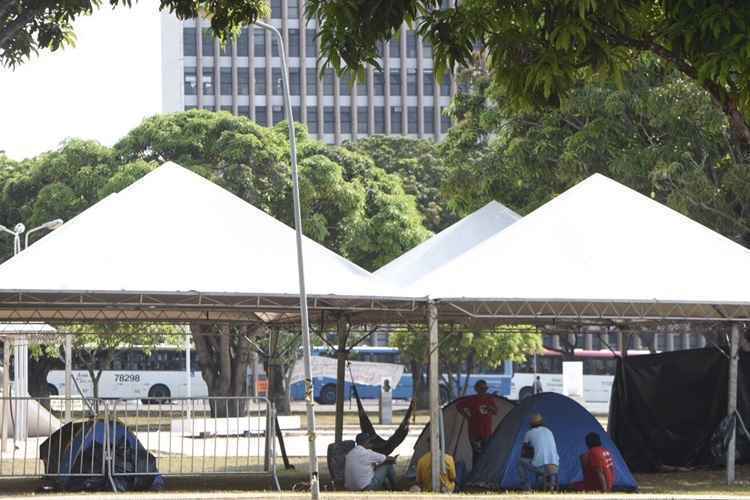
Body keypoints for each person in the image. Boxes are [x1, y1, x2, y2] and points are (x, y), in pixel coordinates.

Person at [456, 379, 498, 461]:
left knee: (485, 454)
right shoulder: (472, 399)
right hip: (474, 432)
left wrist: (490, 408)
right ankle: (475, 472)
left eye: (485, 389)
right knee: (476, 455)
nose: (483, 391)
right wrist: (467, 416)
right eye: (481, 389)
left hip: (486, 432)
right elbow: (458, 406)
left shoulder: (490, 399)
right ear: (477, 389)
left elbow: (496, 411)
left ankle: (484, 472)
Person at [518, 414, 559, 491]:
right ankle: (551, 486)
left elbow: (524, 450)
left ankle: (526, 488)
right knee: (540, 461)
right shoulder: (549, 431)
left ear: (531, 424)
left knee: (520, 462)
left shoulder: (529, 433)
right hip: (555, 467)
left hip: (542, 468)